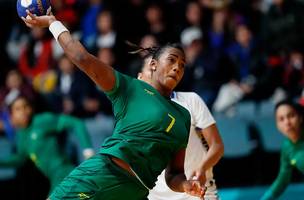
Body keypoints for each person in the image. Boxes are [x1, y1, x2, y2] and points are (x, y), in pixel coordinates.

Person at [22, 10, 206, 200]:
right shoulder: (131, 88)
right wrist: (53, 23)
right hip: (103, 174)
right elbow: (82, 58)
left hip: (136, 192)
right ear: (153, 64)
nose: (177, 67)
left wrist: (186, 184)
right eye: (172, 60)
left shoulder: (183, 116)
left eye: (183, 64)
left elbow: (174, 173)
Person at [138, 55, 224, 200]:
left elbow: (217, 146)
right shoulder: (133, 113)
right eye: (151, 68)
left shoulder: (190, 100)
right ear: (140, 77)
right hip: (154, 196)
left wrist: (202, 168)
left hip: (196, 191)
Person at [0, 96, 94, 195]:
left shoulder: (41, 121)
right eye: (18, 109)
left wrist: (88, 151)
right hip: (55, 180)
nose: (23, 111)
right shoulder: (21, 135)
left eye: (26, 106)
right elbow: (20, 159)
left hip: (66, 174)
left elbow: (76, 123)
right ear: (11, 115)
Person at [261, 100, 304, 200]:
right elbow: (283, 180)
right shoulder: (287, 147)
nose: (287, 122)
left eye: (291, 116)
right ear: (277, 126)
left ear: (301, 118)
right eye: (281, 119)